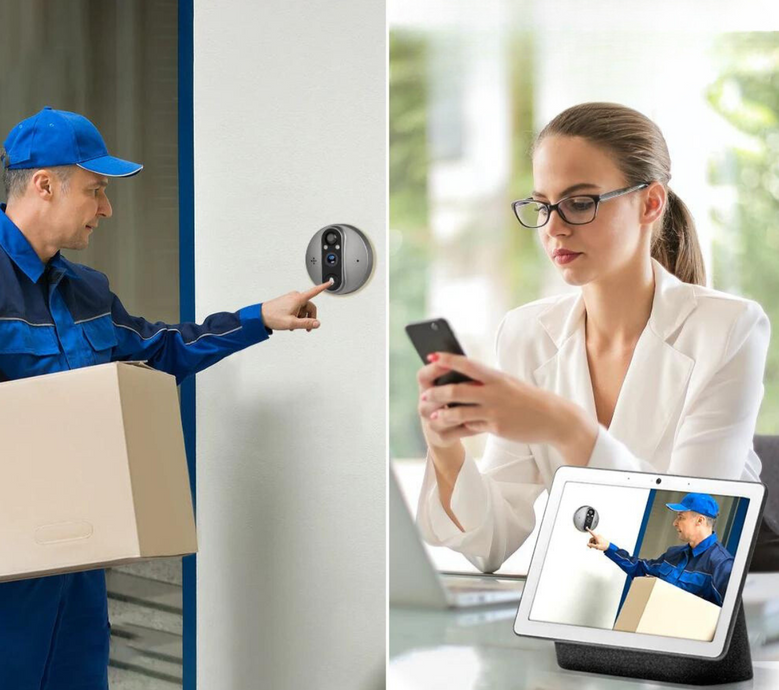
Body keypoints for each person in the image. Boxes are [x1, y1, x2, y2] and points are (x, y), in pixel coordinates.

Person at [0, 106, 332, 688]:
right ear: (45, 184)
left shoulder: (88, 291)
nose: (105, 208)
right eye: (95, 190)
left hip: (74, 558)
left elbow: (160, 350)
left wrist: (260, 319)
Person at [414, 102, 771, 575]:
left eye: (580, 202)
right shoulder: (527, 334)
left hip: (701, 616)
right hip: (581, 613)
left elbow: (689, 532)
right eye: (543, 205)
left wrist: (567, 428)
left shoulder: (729, 328)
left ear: (650, 203)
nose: (555, 227)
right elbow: (491, 543)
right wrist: (444, 446)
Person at [586, 493, 733, 607]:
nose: (674, 523)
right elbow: (640, 568)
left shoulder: (721, 564)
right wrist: (608, 547)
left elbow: (727, 618)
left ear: (699, 520)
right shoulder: (673, 554)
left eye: (680, 517)